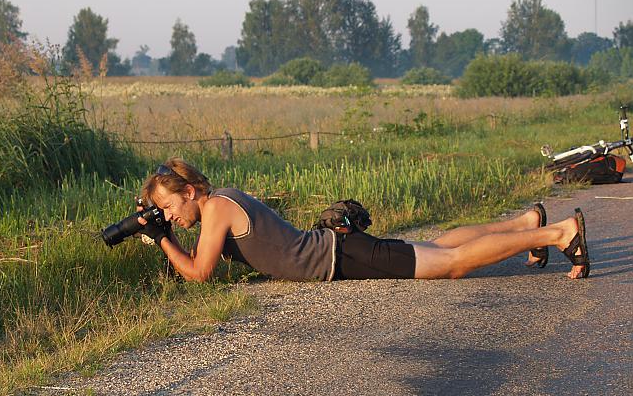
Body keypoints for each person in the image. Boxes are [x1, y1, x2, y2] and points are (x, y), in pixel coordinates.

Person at [136, 158, 590, 283]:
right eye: (167, 215)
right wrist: (168, 232)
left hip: (342, 254)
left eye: (172, 208)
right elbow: (202, 254)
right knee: (437, 245)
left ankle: (555, 232)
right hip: (339, 246)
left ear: (189, 191)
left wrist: (162, 240)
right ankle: (526, 223)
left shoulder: (215, 209)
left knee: (452, 263)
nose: (172, 216)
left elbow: (199, 272)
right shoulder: (223, 200)